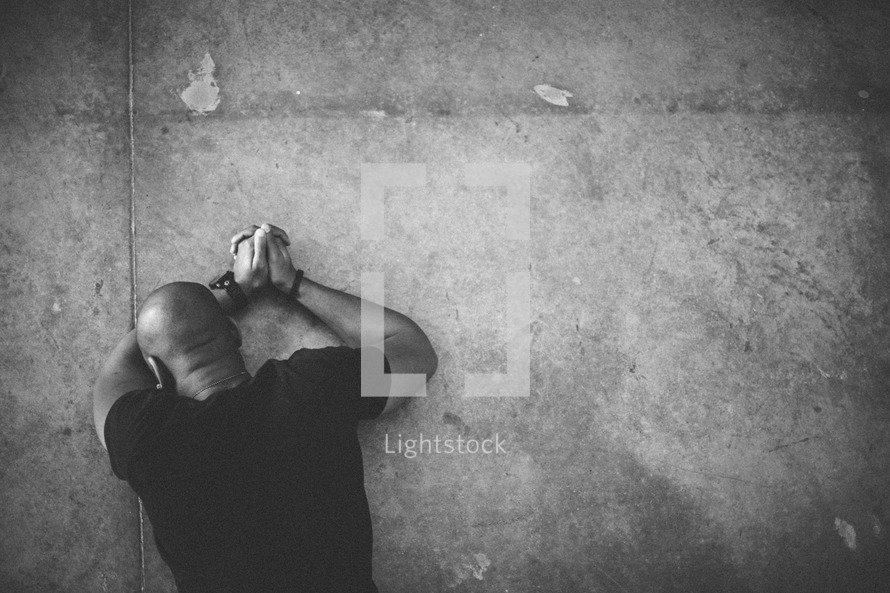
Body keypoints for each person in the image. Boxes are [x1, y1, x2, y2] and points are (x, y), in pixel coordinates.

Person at [92, 223, 437, 592]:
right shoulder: (314, 386)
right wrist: (291, 282)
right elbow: (414, 351)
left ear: (157, 371)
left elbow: (116, 372)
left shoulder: (145, 437)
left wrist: (234, 290)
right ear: (235, 334)